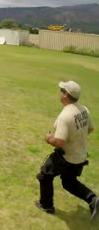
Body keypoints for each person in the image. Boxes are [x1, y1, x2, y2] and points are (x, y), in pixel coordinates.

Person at [35, 81, 98, 221]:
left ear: (65, 95)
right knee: (69, 182)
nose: (60, 92)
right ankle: (93, 199)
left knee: (44, 175)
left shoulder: (65, 116)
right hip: (80, 156)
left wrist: (48, 138)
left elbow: (59, 142)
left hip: (66, 157)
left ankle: (47, 206)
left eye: (62, 90)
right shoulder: (84, 110)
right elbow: (90, 129)